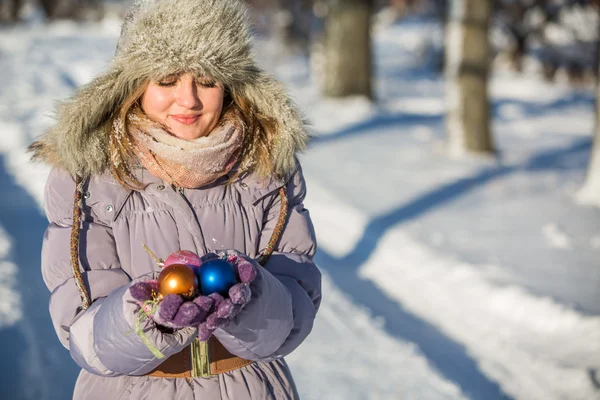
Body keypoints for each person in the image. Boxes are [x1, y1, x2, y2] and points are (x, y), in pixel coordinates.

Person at [28, 0, 321, 398]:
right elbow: (85, 337)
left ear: (230, 84)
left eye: (207, 79)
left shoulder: (266, 164)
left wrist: (248, 302)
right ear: (134, 85)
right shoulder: (88, 176)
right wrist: (152, 315)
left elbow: (292, 316)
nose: (189, 100)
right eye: (166, 81)